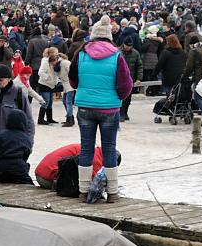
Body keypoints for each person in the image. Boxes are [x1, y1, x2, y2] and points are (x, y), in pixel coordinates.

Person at [69, 15, 133, 203]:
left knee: (86, 149)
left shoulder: (81, 54)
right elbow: (125, 84)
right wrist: (117, 98)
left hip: (85, 107)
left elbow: (73, 80)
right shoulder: (117, 55)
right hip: (109, 108)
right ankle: (112, 192)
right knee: (109, 149)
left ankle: (83, 190)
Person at [0, 64, 34, 150]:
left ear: (9, 79)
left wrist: (29, 143)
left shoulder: (18, 94)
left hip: (13, 144)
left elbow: (29, 120)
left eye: (1, 80)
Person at [0, 109, 33, 184]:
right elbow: (26, 155)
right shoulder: (25, 138)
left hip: (0, 169)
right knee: (30, 185)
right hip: (18, 169)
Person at [34, 144, 104, 190]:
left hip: (41, 173)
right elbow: (96, 181)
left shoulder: (88, 149)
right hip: (47, 179)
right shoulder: (95, 157)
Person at [119, 37, 142, 121]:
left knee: (128, 98)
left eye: (130, 46)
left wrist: (139, 78)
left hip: (131, 78)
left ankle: (125, 113)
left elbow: (139, 66)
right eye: (127, 46)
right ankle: (121, 113)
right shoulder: (118, 52)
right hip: (120, 78)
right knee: (121, 97)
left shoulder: (135, 53)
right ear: (123, 44)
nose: (129, 47)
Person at [36, 47, 60, 125]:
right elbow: (40, 72)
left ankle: (49, 119)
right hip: (44, 84)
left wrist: (56, 80)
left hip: (51, 85)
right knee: (45, 102)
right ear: (51, 54)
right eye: (56, 53)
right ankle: (40, 119)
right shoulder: (45, 62)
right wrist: (48, 78)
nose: (57, 54)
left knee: (50, 102)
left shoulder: (56, 60)